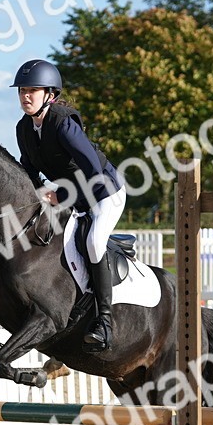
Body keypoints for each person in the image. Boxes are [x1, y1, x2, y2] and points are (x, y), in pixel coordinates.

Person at [10, 58, 126, 353]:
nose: (25, 95)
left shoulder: (63, 124)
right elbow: (29, 172)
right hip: (74, 196)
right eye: (22, 90)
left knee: (93, 243)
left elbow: (93, 172)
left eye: (32, 90)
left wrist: (62, 197)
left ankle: (104, 323)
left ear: (49, 93)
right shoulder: (24, 129)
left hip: (104, 193)